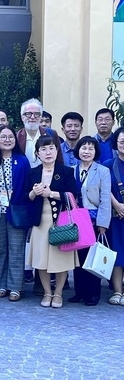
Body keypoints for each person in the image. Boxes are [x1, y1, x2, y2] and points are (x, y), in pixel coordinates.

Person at [26, 135, 80, 308]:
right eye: (43, 149)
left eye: (51, 148)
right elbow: (26, 197)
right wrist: (35, 192)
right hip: (40, 221)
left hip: (61, 220)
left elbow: (73, 195)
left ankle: (58, 293)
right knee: (41, 260)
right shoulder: (33, 172)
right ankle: (47, 292)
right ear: (37, 153)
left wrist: (51, 194)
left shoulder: (66, 171)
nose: (48, 152)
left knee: (60, 259)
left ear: (57, 151)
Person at [66, 136, 110, 306]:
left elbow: (105, 199)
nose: (86, 152)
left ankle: (93, 293)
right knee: (78, 256)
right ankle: (79, 292)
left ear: (95, 152)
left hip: (93, 219)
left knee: (92, 257)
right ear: (78, 151)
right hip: (76, 218)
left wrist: (102, 224)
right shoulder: (71, 170)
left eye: (90, 148)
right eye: (83, 148)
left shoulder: (102, 171)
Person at [0, 126, 31, 302]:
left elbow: (27, 185)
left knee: (16, 248)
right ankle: (1, 284)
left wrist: (17, 199)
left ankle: (15, 287)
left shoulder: (22, 161)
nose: (7, 140)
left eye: (10, 137)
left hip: (16, 210)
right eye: (3, 137)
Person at [104, 128, 124, 306]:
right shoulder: (109, 164)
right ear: (116, 144)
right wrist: (116, 204)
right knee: (117, 254)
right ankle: (117, 291)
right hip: (116, 216)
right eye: (122, 141)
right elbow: (104, 189)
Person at [16, 99, 62, 168]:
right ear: (22, 117)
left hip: (46, 176)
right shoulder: (17, 137)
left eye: (36, 114)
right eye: (28, 114)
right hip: (24, 177)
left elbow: (59, 160)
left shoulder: (51, 134)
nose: (32, 117)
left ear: (40, 117)